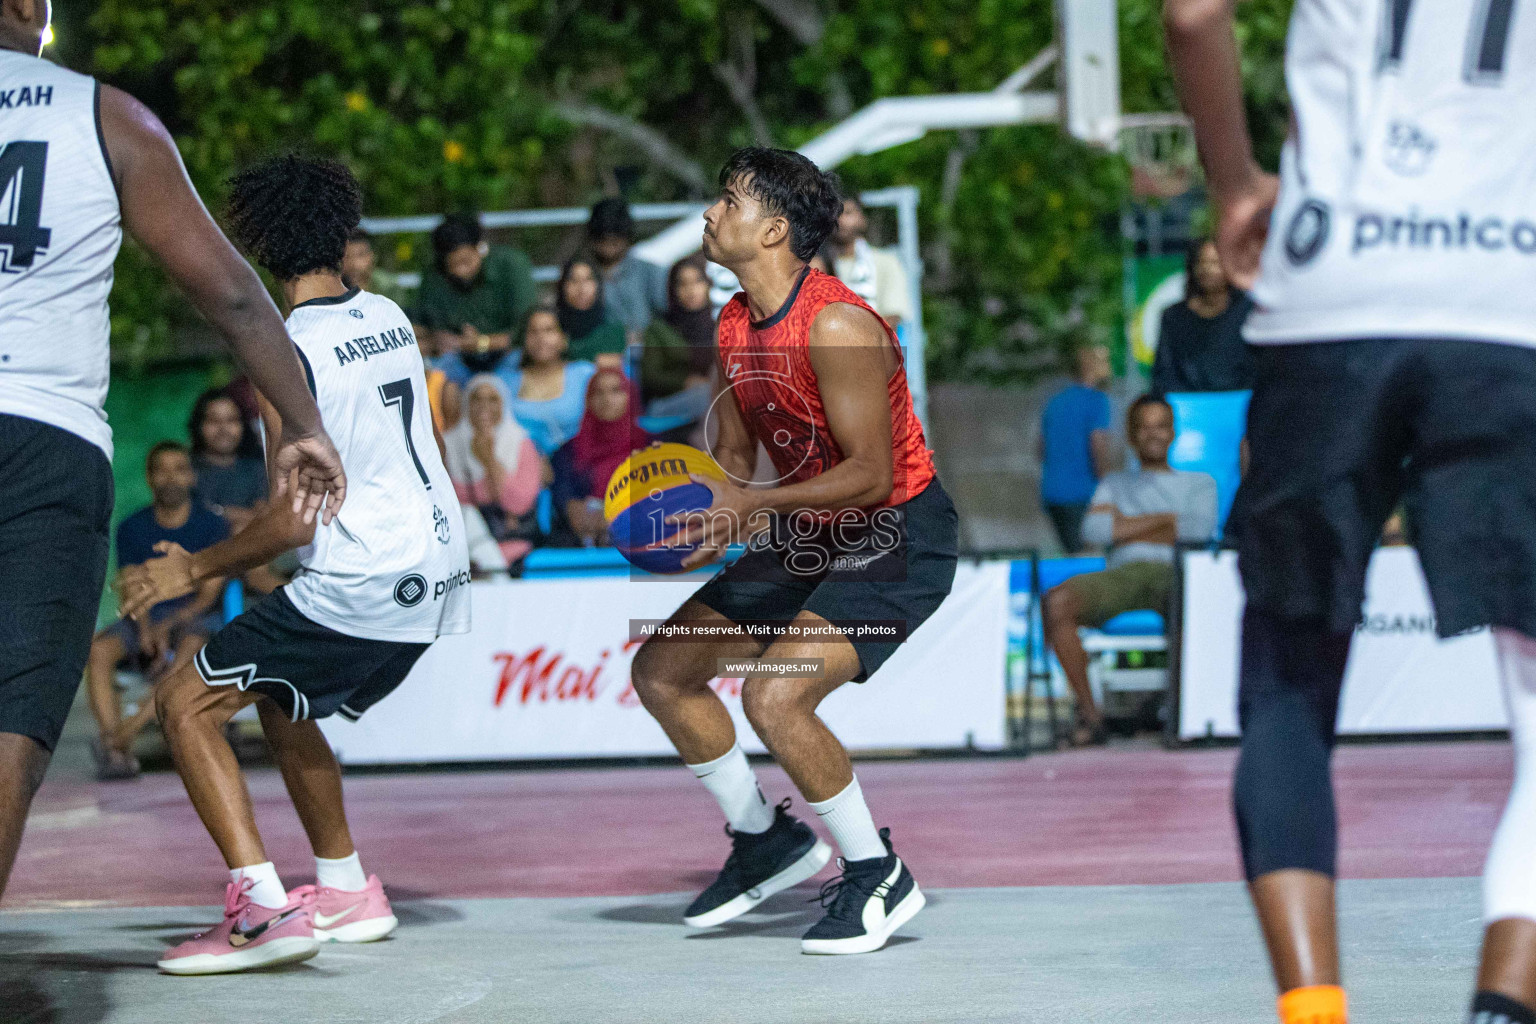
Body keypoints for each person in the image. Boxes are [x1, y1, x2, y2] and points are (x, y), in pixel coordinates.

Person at [1167, 2, 1536, 1023]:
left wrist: (1235, 183)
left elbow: (1194, 15)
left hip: (1332, 290)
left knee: (1288, 680)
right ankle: (1503, 1004)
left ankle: (1315, 1009)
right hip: (1510, 300)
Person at [0, 4, 345, 905]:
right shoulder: (104, 117)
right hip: (42, 437)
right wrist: (303, 425)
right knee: (15, 716)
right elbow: (230, 295)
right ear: (26, 11)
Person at [117, 154, 470, 975]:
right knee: (282, 697)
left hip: (366, 578)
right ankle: (346, 889)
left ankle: (260, 914)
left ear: (256, 242)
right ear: (342, 231)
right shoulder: (387, 313)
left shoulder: (285, 348)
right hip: (437, 566)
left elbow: (289, 516)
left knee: (184, 703)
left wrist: (191, 568)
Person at [629, 148, 957, 955]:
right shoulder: (733, 320)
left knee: (775, 698)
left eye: (727, 200)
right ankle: (765, 841)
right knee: (663, 670)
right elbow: (737, 454)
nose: (710, 214)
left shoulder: (838, 323)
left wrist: (755, 504)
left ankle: (878, 871)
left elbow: (872, 475)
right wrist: (699, 510)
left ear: (773, 228)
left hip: (897, 535)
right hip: (812, 527)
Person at [1043, 394, 1217, 746]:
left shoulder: (1200, 483)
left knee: (1195, 606)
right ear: (1132, 435)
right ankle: (1093, 718)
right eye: (1144, 427)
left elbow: (1197, 531)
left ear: (1173, 433)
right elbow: (1092, 532)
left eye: (1161, 426)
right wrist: (1167, 522)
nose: (1153, 434)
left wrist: (1123, 524)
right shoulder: (1113, 483)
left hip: (1174, 572)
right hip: (1122, 574)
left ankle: (1183, 715)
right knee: (1055, 603)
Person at [85, 442, 229, 780]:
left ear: (192, 476)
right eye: (161, 470)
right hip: (144, 617)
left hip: (195, 619)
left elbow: (208, 596)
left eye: (179, 469)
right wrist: (148, 629)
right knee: (98, 650)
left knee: (189, 653)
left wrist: (167, 627)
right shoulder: (131, 528)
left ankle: (123, 737)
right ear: (150, 478)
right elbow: (132, 587)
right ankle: (114, 745)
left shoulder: (212, 526)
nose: (171, 478)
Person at [416, 212, 537, 386]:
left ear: (480, 248)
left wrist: (482, 343)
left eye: (466, 261)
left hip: (509, 356)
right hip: (458, 361)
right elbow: (426, 326)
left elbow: (528, 328)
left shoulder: (512, 266)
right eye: (453, 265)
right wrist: (439, 339)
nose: (460, 271)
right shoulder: (433, 277)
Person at [445, 374, 544, 571]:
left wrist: (489, 459)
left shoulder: (521, 443)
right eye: (477, 399)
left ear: (504, 405)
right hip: (460, 547)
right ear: (466, 404)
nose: (484, 406)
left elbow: (518, 505)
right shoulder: (448, 444)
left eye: (492, 399)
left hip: (514, 547)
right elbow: (448, 506)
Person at [552, 367, 651, 547]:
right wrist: (576, 510)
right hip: (583, 541)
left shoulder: (651, 446)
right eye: (598, 392)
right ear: (588, 400)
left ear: (630, 396)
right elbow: (565, 498)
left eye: (616, 391)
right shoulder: (567, 452)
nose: (607, 399)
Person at [1150, 236, 1256, 394]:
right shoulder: (1173, 317)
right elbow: (1164, 373)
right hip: (1187, 407)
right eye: (1201, 262)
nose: (1207, 269)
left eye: (1214, 263)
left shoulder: (1249, 312)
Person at [1039, 345, 1115, 552]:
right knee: (1091, 561)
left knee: (1072, 556)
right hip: (1083, 494)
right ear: (1090, 367)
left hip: (1053, 494)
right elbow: (1097, 448)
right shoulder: (1097, 401)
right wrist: (1110, 490)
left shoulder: (1055, 402)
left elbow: (1041, 449)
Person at [504, 307, 598, 456]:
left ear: (563, 338)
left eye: (549, 330)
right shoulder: (506, 381)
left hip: (578, 463)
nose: (540, 338)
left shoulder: (585, 375)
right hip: (522, 466)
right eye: (533, 331)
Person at [638, 255, 718, 421]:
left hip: (710, 402)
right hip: (666, 405)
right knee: (710, 397)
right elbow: (650, 376)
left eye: (697, 281)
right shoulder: (659, 328)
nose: (691, 290)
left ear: (707, 285)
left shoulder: (719, 326)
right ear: (672, 290)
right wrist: (685, 381)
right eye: (683, 284)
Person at [189, 388, 267, 532]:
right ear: (199, 425)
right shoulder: (185, 468)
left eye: (231, 420)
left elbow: (263, 519)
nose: (223, 428)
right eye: (213, 420)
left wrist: (220, 512)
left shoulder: (258, 468)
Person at [588, 196, 668, 334]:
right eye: (602, 237)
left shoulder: (650, 272)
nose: (608, 242)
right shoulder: (580, 276)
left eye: (615, 237)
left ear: (627, 236)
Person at [830, 196, 912, 329]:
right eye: (833, 214)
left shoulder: (885, 262)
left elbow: (892, 318)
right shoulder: (817, 266)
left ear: (862, 219)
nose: (841, 220)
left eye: (848, 213)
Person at [557, 255, 627, 365]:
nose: (581, 289)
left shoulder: (612, 326)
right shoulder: (551, 325)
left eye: (588, 280)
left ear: (598, 285)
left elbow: (611, 364)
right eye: (573, 280)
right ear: (562, 286)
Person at [341, 225, 412, 310]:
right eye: (347, 257)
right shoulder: (332, 287)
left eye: (360, 255)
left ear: (372, 256)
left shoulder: (389, 287)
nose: (354, 264)